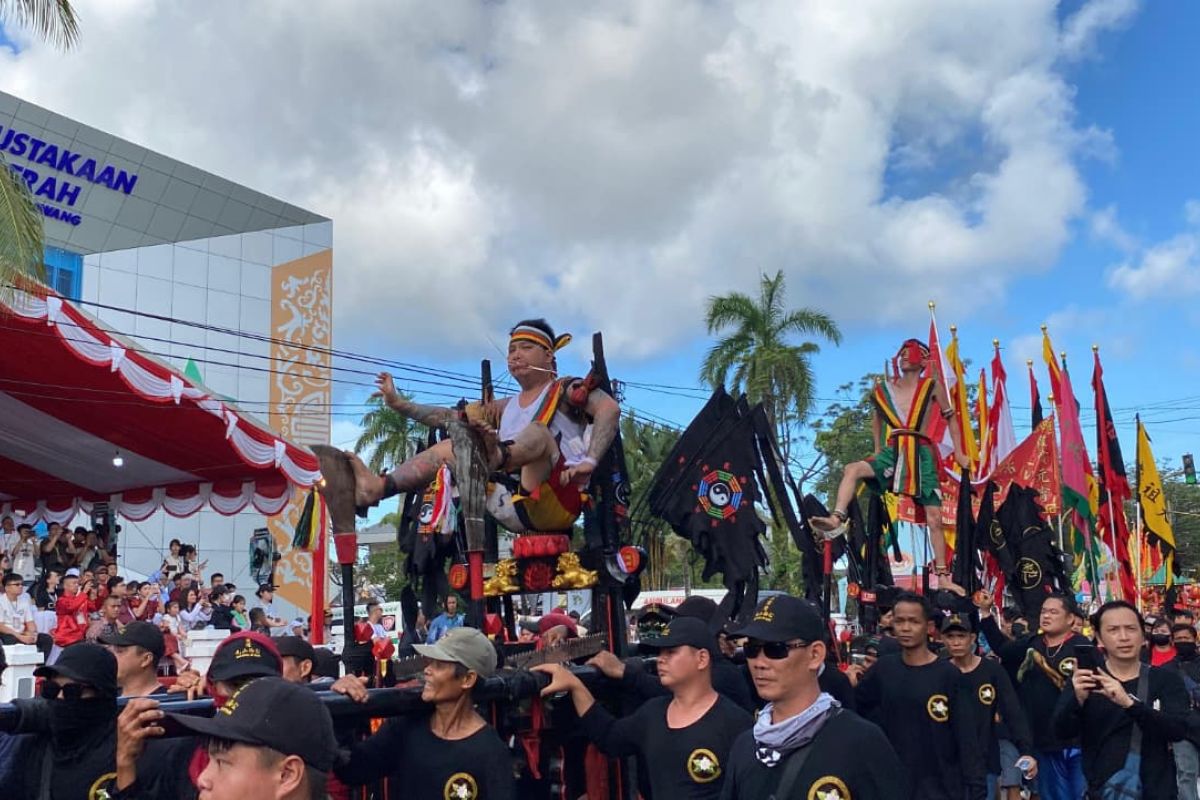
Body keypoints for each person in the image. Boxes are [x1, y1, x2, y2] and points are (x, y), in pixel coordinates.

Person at [340, 319, 621, 542]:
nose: (515, 355)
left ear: (548, 355)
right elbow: (448, 418)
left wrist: (590, 460)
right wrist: (399, 404)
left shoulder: (564, 389)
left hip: (558, 498)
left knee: (538, 432)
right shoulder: (504, 407)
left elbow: (609, 409)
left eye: (525, 347)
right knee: (455, 444)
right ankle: (377, 488)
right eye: (511, 350)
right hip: (509, 500)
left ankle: (496, 455)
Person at [808, 339, 970, 594]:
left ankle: (943, 576)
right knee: (852, 469)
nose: (903, 357)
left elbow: (951, 418)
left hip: (921, 451)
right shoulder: (885, 389)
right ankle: (836, 518)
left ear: (923, 360)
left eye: (909, 353)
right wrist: (876, 449)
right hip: (893, 449)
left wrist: (959, 452)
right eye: (901, 353)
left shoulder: (931, 386)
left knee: (935, 517)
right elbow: (877, 418)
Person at [536, 616, 752, 798]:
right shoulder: (652, 714)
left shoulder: (738, 726)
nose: (661, 660)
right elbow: (609, 737)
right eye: (660, 653)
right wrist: (575, 686)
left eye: (671, 652)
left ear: (701, 658)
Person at [719, 594, 901, 798]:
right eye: (752, 649)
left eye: (775, 649)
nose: (759, 663)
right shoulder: (745, 746)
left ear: (815, 655)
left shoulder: (861, 742)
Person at [333, 626, 515, 798]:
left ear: (467, 679)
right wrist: (344, 706)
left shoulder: (490, 753)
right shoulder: (405, 728)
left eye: (439, 665)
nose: (427, 670)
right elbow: (352, 771)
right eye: (430, 663)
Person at [848, 591, 983, 799]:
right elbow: (855, 712)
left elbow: (967, 739)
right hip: (893, 787)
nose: (905, 628)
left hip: (941, 789)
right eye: (899, 621)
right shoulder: (883, 670)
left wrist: (976, 790)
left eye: (913, 621)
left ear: (929, 627)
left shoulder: (949, 676)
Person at [1053, 600, 1189, 799]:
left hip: (1156, 791)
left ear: (1143, 635)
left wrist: (1130, 704)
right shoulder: (1087, 681)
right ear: (1099, 638)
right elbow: (1061, 732)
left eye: (1131, 629)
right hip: (1102, 791)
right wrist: (1077, 699)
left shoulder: (1165, 679)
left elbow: (1178, 729)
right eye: (1113, 630)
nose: (1124, 637)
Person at [979, 592, 1091, 800]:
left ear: (1070, 619)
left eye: (1053, 612)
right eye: (1043, 611)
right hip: (1042, 739)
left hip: (1077, 740)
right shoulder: (1032, 643)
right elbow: (1003, 649)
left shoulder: (1082, 646)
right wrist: (986, 613)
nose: (1046, 616)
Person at [588, 594, 756, 712]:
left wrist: (624, 671)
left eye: (672, 652)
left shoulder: (722, 674)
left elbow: (672, 690)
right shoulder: (714, 667)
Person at [940, 611, 1037, 800]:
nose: (956, 642)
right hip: (948, 762)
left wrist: (1026, 751)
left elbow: (1013, 712)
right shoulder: (940, 672)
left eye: (961, 636)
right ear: (943, 639)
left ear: (972, 638)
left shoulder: (992, 670)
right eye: (950, 636)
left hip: (985, 758)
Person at [8, 643, 121, 797]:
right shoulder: (36, 745)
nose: (60, 697)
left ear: (102, 694)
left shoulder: (125, 751)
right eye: (51, 689)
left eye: (72, 691)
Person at [1167, 623, 1200, 800]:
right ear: (1172, 642)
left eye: (1186, 638)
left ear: (1195, 639)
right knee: (1186, 773)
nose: (1182, 642)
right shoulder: (1166, 669)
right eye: (1178, 639)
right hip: (1182, 730)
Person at [103, 621, 168, 697]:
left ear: (146, 659)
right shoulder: (105, 699)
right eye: (111, 651)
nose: (111, 656)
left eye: (119, 651)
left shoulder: (171, 702)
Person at [0, 570, 52, 657]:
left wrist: (33, 634)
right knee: (11, 639)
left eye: (22, 584)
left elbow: (30, 622)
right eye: (17, 584)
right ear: (7, 587)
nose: (21, 587)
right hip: (8, 634)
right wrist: (19, 636)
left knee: (46, 639)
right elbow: (1, 626)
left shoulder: (24, 600)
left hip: (22, 633)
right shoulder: (1, 601)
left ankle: (39, 664)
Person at [54, 566, 100, 650]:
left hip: (80, 635)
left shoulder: (80, 598)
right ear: (65, 586)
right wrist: (84, 592)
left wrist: (92, 596)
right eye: (74, 583)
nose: (77, 586)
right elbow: (71, 607)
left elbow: (92, 608)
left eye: (78, 584)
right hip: (67, 637)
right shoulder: (61, 601)